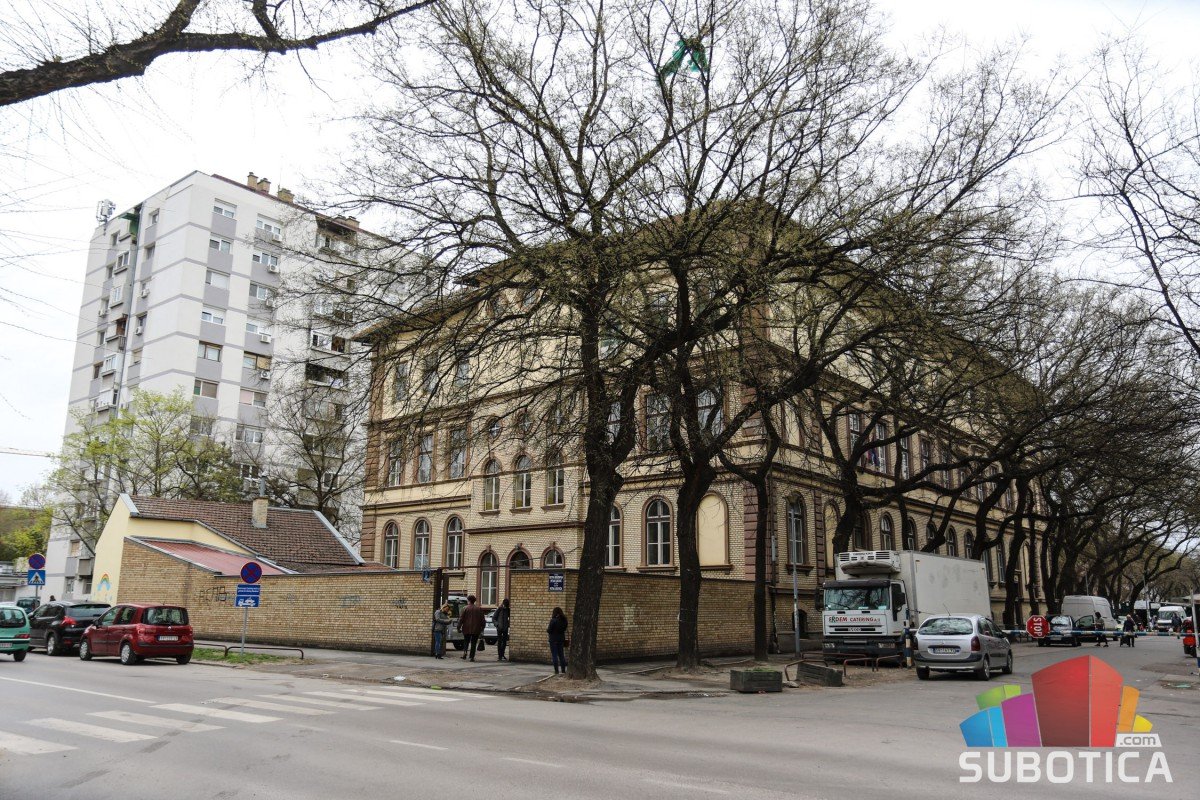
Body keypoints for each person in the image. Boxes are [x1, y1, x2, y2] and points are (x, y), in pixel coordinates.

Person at [458, 595, 486, 662]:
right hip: (476, 629)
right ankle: (471, 657)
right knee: (474, 643)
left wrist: (458, 627)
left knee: (466, 641)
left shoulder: (465, 608)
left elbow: (461, 619)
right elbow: (483, 620)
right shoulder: (479, 609)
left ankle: (465, 653)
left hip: (466, 628)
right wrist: (482, 628)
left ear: (469, 600)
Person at [547, 606, 568, 674]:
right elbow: (564, 629)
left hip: (553, 640)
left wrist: (548, 630)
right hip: (561, 639)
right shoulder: (564, 620)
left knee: (554, 655)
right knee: (561, 655)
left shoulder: (553, 620)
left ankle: (556, 671)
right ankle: (563, 670)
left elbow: (549, 630)